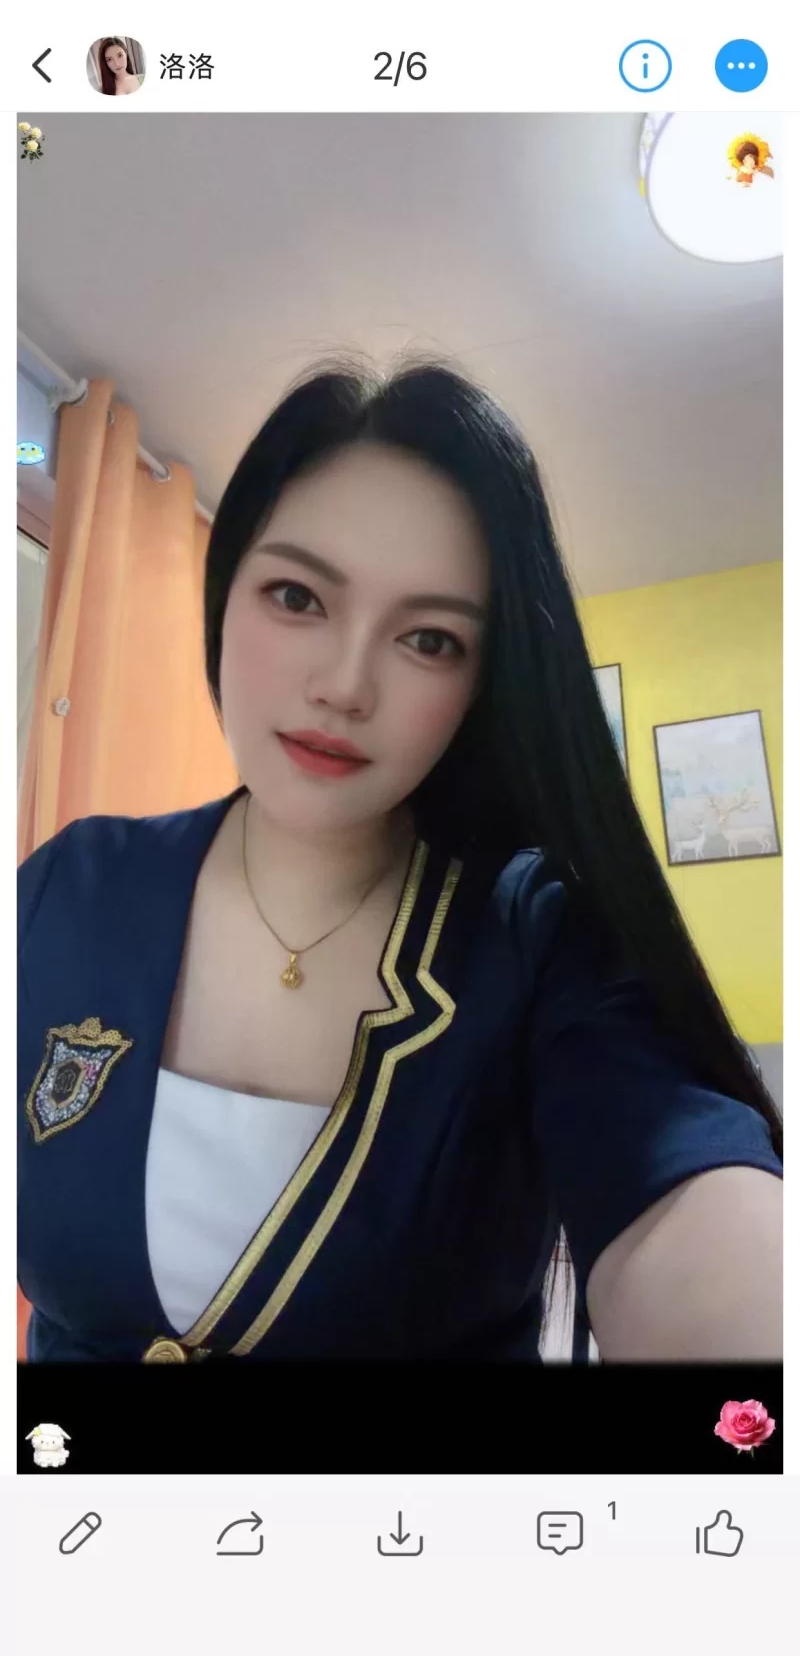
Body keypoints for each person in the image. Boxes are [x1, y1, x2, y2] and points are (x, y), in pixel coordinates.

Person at [17, 359, 783, 1364]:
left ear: (482, 683)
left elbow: (678, 1201)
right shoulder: (70, 887)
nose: (344, 685)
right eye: (297, 595)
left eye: (428, 640)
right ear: (223, 593)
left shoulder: (537, 932)